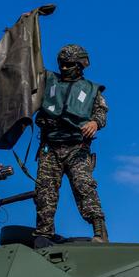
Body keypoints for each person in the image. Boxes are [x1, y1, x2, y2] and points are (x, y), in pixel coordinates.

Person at [32, 44, 109, 243]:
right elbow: (28, 66)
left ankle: (100, 231)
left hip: (77, 148)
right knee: (45, 191)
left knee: (84, 186)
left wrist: (94, 123)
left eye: (69, 65)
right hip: (50, 147)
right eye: (62, 65)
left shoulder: (91, 90)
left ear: (80, 65)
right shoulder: (49, 82)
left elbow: (101, 114)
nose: (64, 68)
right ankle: (43, 234)